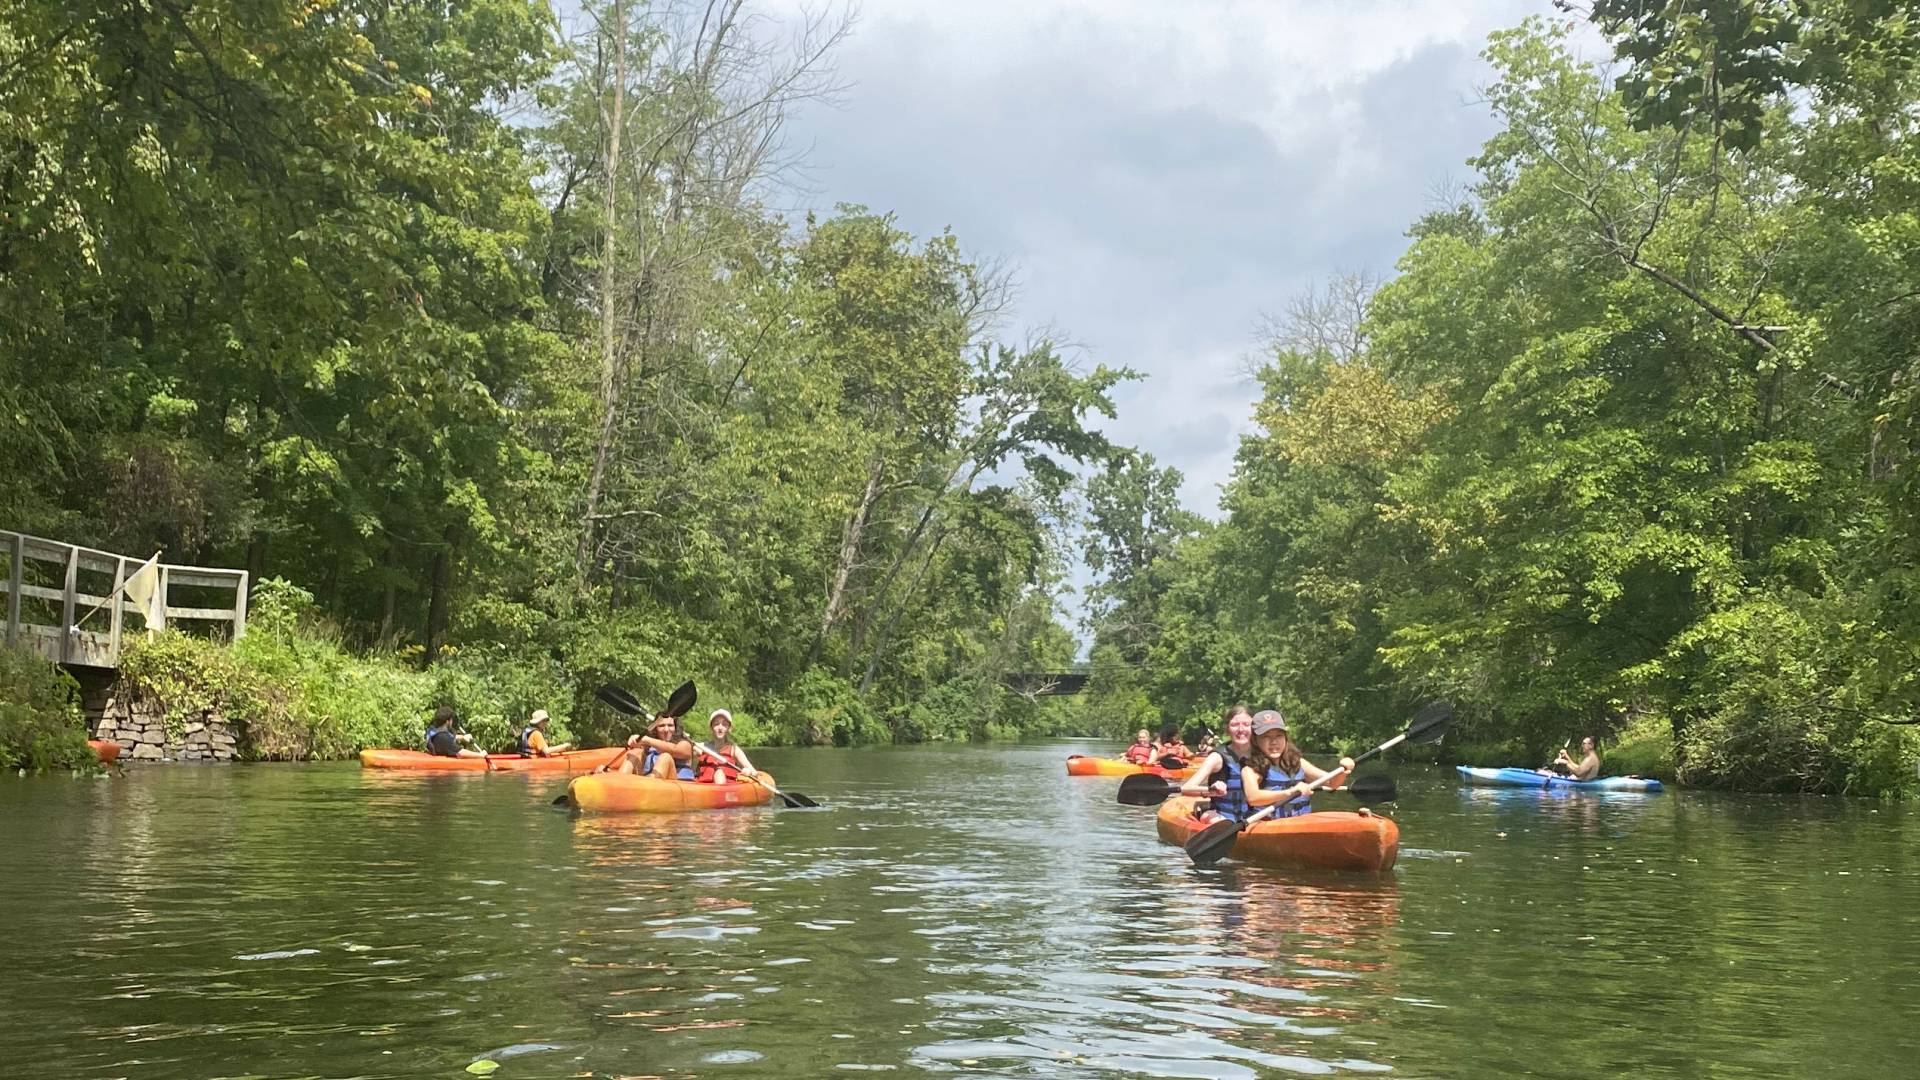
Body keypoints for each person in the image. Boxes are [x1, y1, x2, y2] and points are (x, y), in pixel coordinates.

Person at [1241, 710, 1356, 818]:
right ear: (1255, 741)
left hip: (1301, 822)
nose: (1274, 742)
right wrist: (1290, 792)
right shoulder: (1250, 769)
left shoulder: (1298, 762)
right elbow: (1253, 798)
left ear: (1285, 738)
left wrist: (1343, 771)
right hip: (1269, 827)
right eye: (1266, 737)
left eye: (1279, 736)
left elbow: (1332, 783)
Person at [1178, 705, 1256, 823]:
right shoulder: (1217, 758)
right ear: (1227, 728)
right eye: (1235, 725)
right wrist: (1210, 790)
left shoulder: (1261, 755)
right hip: (1222, 817)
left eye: (1246, 724)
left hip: (1254, 818)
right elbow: (1186, 788)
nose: (1241, 729)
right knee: (1215, 820)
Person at [611, 711, 696, 779]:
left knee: (665, 757)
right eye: (662, 726)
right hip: (651, 782)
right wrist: (609, 771)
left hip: (677, 787)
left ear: (675, 727)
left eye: (670, 725)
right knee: (636, 753)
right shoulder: (649, 747)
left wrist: (646, 740)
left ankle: (648, 786)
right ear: (656, 729)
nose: (666, 729)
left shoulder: (685, 744)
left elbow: (675, 750)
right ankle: (619, 781)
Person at [694, 709, 759, 783]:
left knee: (719, 773)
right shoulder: (701, 747)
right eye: (716, 724)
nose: (720, 728)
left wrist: (748, 771)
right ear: (711, 727)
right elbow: (684, 752)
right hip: (705, 789)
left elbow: (754, 772)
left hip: (726, 788)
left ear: (729, 728)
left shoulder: (734, 749)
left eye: (724, 724)